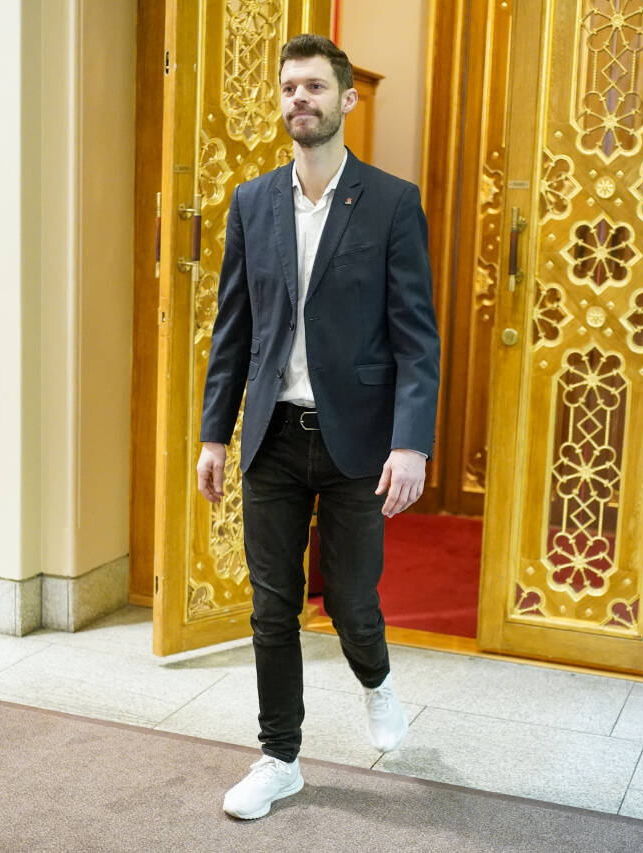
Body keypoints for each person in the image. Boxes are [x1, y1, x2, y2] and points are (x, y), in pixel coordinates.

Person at [196, 33, 441, 820]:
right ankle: (280, 756)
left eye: (314, 87)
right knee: (271, 606)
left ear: (346, 100)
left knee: (351, 600)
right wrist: (213, 434)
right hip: (271, 434)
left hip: (357, 442)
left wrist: (411, 441)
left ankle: (377, 680)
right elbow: (234, 328)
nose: (300, 99)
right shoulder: (252, 201)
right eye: (289, 88)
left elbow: (416, 335)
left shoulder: (393, 202)